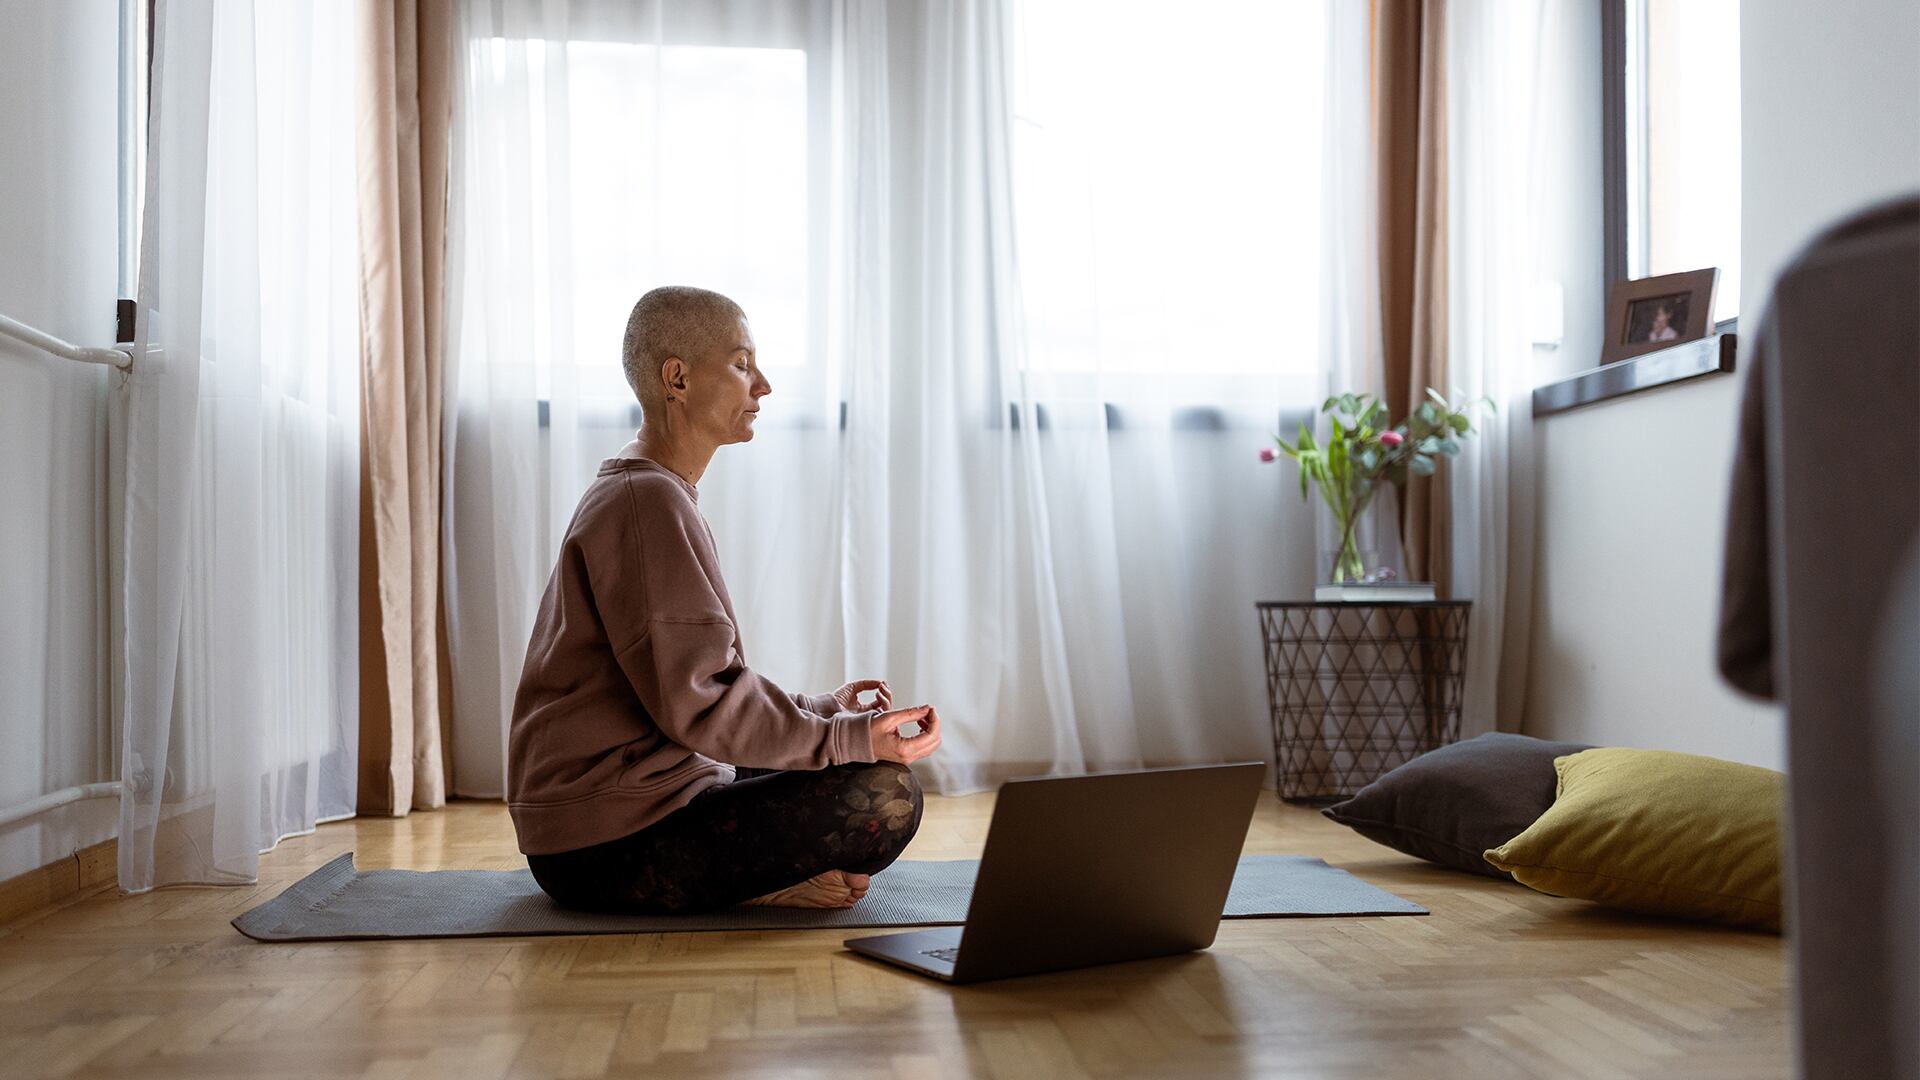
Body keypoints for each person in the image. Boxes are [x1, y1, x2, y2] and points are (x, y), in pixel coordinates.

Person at [507, 285, 943, 914]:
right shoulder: (647, 504)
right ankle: (765, 884)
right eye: (742, 364)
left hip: (643, 801)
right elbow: (703, 703)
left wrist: (824, 712)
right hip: (600, 846)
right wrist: (848, 739)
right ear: (676, 379)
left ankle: (757, 871)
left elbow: (700, 687)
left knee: (847, 768)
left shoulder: (656, 493)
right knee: (885, 794)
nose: (761, 385)